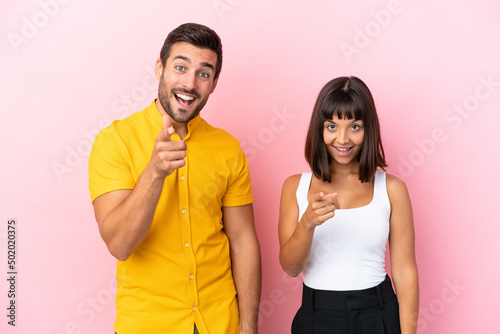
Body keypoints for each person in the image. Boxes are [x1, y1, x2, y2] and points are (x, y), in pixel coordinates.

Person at [88, 23, 261, 334]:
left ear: (214, 83)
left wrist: (248, 326)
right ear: (160, 68)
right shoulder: (115, 141)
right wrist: (154, 172)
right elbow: (119, 245)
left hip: (218, 322)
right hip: (147, 324)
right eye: (180, 67)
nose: (190, 83)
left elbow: (243, 241)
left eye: (203, 74)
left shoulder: (228, 148)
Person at [278, 76, 419, 334]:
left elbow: (405, 272)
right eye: (332, 126)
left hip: (377, 314)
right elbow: (290, 268)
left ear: (368, 130)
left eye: (354, 127)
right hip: (317, 316)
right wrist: (307, 223)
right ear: (319, 129)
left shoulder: (392, 189)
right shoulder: (295, 187)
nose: (342, 139)